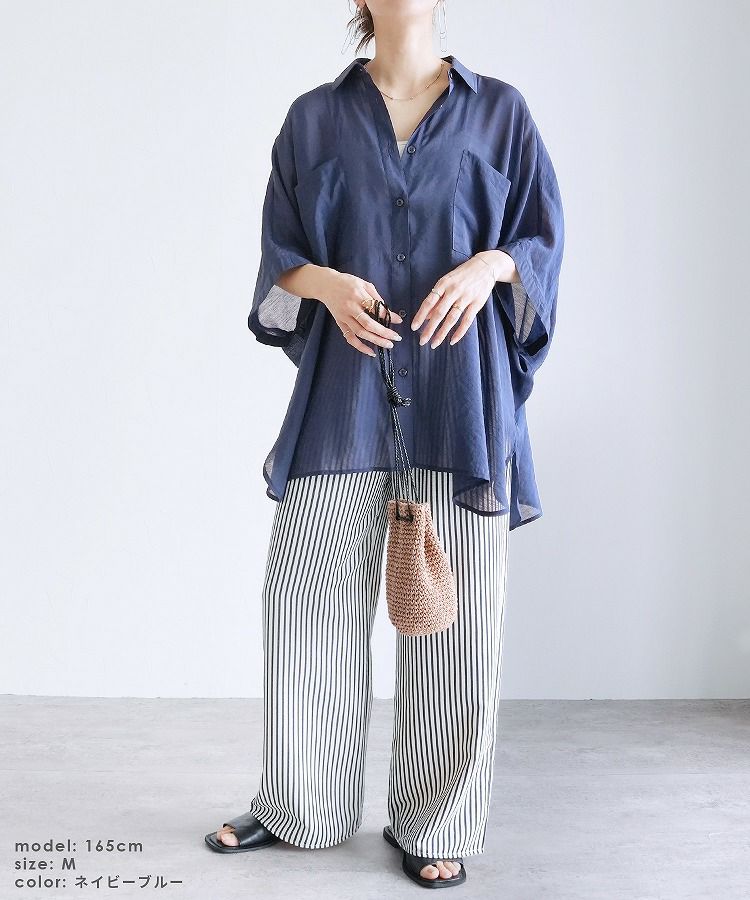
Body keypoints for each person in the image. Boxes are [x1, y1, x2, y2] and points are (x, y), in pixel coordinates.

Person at [204, 0, 564, 888]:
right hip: (345, 400)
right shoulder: (314, 118)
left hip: (460, 398)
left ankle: (437, 821)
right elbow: (279, 259)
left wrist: (489, 265)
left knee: (458, 620)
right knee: (305, 601)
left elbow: (540, 243)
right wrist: (327, 284)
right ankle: (302, 802)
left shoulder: (500, 112)